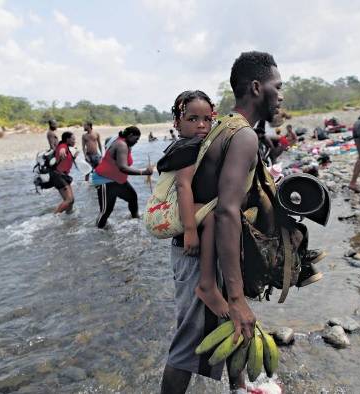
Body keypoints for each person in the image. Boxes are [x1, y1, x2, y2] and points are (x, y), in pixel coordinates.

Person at [160, 51, 283, 394]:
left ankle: (239, 388)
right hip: (200, 252)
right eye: (279, 86)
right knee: (188, 347)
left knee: (233, 328)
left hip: (205, 249)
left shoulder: (225, 127)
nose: (282, 94)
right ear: (257, 87)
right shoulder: (242, 135)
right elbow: (226, 210)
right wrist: (237, 294)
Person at [156, 90, 228, 318]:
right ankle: (207, 285)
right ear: (177, 122)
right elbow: (183, 186)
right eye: (193, 119)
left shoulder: (196, 144)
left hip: (198, 230)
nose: (201, 125)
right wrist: (189, 231)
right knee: (190, 322)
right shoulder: (188, 147)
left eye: (207, 119)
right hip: (190, 234)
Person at [93, 126, 153, 228]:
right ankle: (97, 232)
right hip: (105, 180)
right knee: (106, 211)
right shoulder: (121, 145)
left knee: (132, 197)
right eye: (136, 139)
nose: (137, 142)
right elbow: (123, 168)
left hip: (117, 181)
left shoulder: (124, 143)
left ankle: (135, 221)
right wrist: (144, 172)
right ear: (130, 135)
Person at [51, 131, 78, 214]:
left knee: (71, 200)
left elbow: (66, 161)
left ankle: (69, 218)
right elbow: (62, 149)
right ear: (67, 139)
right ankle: (54, 216)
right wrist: (62, 150)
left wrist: (74, 157)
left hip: (63, 176)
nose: (74, 141)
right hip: (58, 176)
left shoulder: (67, 148)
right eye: (73, 139)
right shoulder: (63, 146)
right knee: (69, 199)